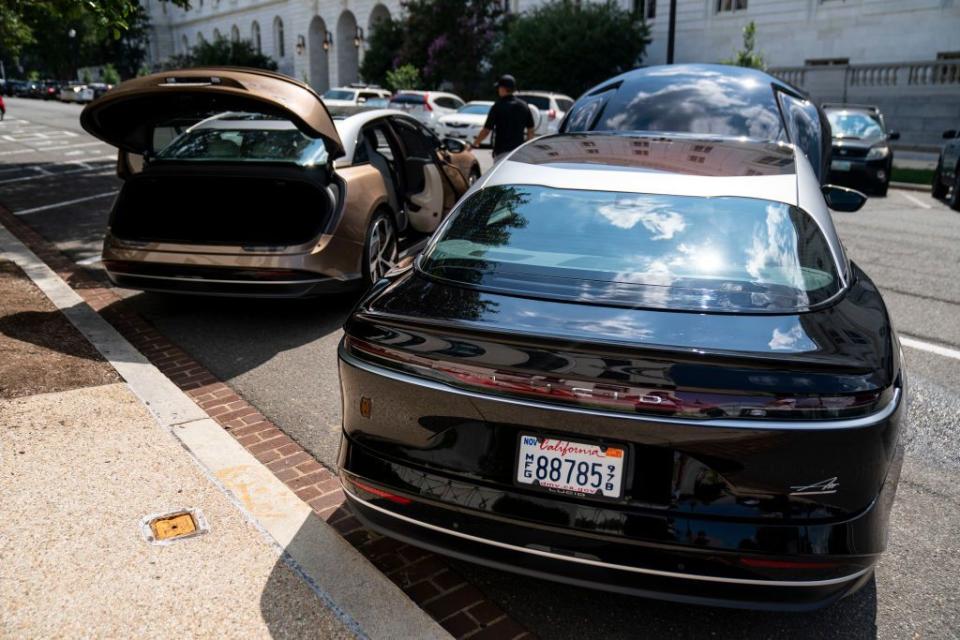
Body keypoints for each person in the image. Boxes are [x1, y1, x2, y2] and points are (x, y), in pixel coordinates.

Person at [473, 74, 535, 161]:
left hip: (502, 152)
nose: (498, 90)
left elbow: (486, 130)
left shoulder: (498, 106)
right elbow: (531, 130)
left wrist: (475, 144)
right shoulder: (524, 106)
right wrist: (526, 148)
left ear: (503, 88)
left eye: (499, 87)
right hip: (519, 152)